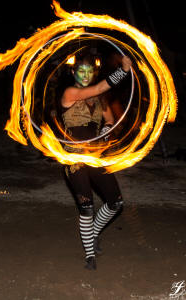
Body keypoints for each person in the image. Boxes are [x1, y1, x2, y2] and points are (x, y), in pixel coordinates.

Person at [61, 52, 132, 270]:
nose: (85, 75)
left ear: (94, 73)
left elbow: (111, 120)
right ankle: (90, 255)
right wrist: (124, 70)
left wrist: (105, 132)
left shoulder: (100, 101)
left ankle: (93, 233)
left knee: (116, 202)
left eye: (89, 71)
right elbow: (101, 87)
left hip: (95, 158)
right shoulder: (70, 92)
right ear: (74, 72)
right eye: (81, 70)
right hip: (75, 160)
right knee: (87, 207)